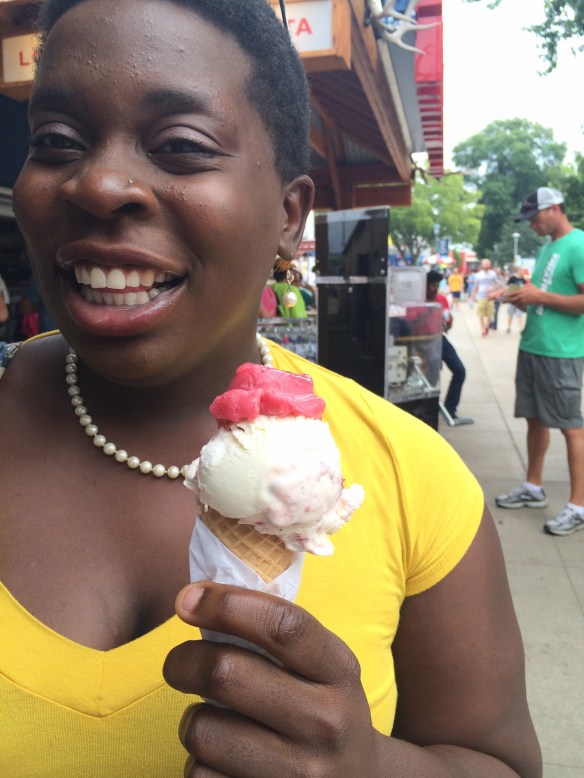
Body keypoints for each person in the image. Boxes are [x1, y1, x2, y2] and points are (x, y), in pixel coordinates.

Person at [0, 1, 542, 775]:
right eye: (56, 140)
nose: (100, 183)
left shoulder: (412, 478)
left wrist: (369, 765)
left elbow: (504, 761)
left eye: (180, 146)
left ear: (290, 217)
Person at [496, 188, 584, 537]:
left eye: (535, 218)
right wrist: (521, 299)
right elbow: (547, 301)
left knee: (571, 428)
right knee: (535, 420)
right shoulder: (549, 248)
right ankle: (533, 486)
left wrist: (537, 296)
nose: (532, 225)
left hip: (561, 352)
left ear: (555, 209)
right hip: (534, 345)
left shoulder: (578, 244)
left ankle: (578, 505)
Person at [427, 271, 474, 426]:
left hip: (439, 339)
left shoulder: (441, 300)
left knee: (460, 371)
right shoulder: (417, 301)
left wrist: (448, 323)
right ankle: (427, 410)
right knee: (430, 377)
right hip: (422, 342)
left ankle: (450, 408)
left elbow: (447, 323)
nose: (434, 289)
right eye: (432, 286)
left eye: (436, 286)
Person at [470, 259, 503, 336]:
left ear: (490, 265)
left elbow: (498, 284)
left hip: (490, 297)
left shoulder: (493, 274)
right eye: (485, 264)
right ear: (482, 265)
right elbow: (475, 286)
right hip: (480, 297)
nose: (486, 265)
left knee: (490, 315)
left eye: (488, 264)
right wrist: (472, 296)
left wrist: (493, 288)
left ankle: (486, 327)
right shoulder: (478, 275)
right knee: (480, 314)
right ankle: (483, 329)